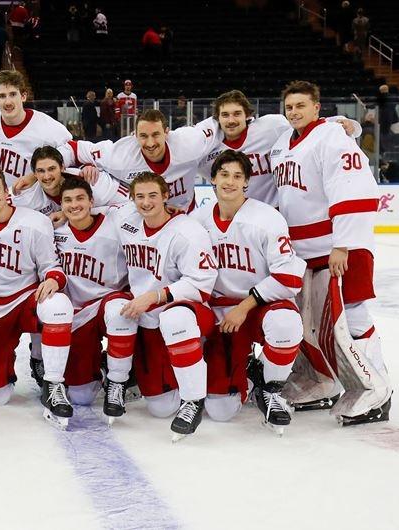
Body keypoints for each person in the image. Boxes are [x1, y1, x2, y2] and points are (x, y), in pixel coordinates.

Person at [269, 80, 390, 425]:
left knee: (351, 317)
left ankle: (377, 391)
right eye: (289, 107)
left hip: (338, 246)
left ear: (317, 107)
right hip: (304, 251)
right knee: (312, 324)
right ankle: (321, 385)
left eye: (301, 106)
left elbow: (352, 187)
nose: (294, 112)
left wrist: (343, 243)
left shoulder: (332, 136)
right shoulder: (282, 145)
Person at [190, 150, 305, 433]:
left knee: (286, 324)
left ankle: (270, 387)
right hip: (219, 312)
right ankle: (248, 372)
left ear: (246, 183)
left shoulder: (267, 218)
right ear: (213, 179)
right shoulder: (197, 220)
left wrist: (245, 306)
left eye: (237, 176)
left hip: (259, 308)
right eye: (224, 175)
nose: (229, 181)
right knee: (220, 411)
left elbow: (289, 277)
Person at [0, 167, 74, 427]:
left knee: (58, 305)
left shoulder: (33, 221)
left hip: (24, 300)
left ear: (6, 191)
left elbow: (50, 265)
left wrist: (54, 278)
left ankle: (53, 382)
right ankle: (0, 369)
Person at [104, 172, 217, 440]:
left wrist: (155, 296)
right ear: (132, 199)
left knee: (174, 318)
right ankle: (117, 382)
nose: (146, 202)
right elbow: (94, 205)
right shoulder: (125, 218)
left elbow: (202, 285)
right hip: (147, 319)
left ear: (166, 196)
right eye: (140, 196)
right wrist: (62, 214)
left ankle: (193, 400)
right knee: (160, 407)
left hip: (187, 313)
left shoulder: (187, 232)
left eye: (153, 195)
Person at [195, 89, 360, 205]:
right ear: (217, 119)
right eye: (225, 115)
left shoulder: (270, 127)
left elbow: (304, 127)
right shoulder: (207, 151)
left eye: (237, 114)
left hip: (276, 212)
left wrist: (340, 123)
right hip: (238, 219)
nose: (231, 120)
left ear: (248, 115)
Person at [53, 178, 129, 412]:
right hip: (79, 313)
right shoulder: (57, 233)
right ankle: (103, 365)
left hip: (112, 302)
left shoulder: (115, 222)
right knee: (81, 396)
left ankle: (119, 381)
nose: (74, 205)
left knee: (118, 312)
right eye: (68, 200)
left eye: (80, 199)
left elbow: (137, 201)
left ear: (91, 202)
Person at [55, 108, 211, 212]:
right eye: (143, 136)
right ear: (135, 135)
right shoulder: (121, 155)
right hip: (143, 220)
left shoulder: (190, 142)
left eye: (156, 135)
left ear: (167, 133)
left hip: (185, 216)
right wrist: (85, 164)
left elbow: (220, 125)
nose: (150, 143)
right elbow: (74, 149)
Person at [0, 70, 72, 189]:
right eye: (2, 96)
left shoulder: (48, 127)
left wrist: (34, 176)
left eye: (13, 94)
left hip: (31, 201)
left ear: (23, 96)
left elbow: (72, 151)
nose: (8, 102)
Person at [13, 145, 128, 221]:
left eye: (52, 169)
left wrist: (71, 214)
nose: (47, 176)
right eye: (41, 171)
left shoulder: (92, 182)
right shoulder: (29, 196)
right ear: (34, 173)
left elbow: (129, 206)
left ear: (63, 167)